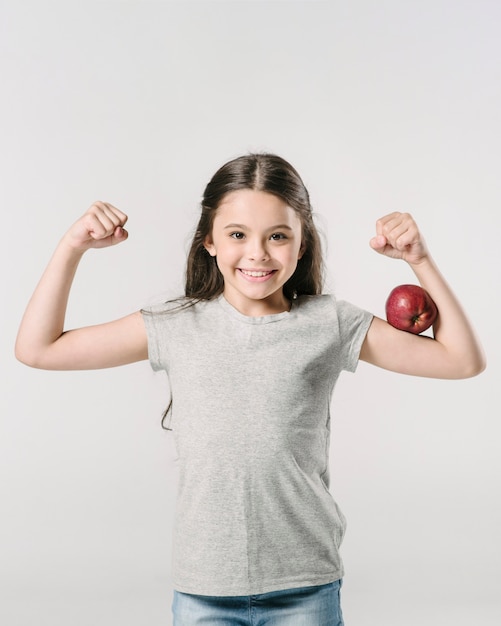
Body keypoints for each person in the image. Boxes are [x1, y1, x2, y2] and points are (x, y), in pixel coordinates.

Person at [15, 153, 485, 626]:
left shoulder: (330, 323)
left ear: (301, 245)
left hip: (305, 586)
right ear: (210, 243)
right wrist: (71, 246)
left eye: (278, 236)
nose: (258, 253)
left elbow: (461, 360)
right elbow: (38, 348)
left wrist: (419, 260)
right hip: (204, 588)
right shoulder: (175, 325)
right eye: (238, 235)